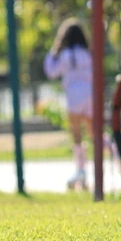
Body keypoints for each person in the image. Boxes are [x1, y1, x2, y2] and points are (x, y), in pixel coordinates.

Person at [44, 18, 95, 191]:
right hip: (91, 95)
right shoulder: (88, 54)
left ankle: (81, 171)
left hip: (74, 97)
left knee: (77, 135)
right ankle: (120, 160)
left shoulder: (66, 55)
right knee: (94, 133)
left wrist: (53, 50)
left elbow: (51, 71)